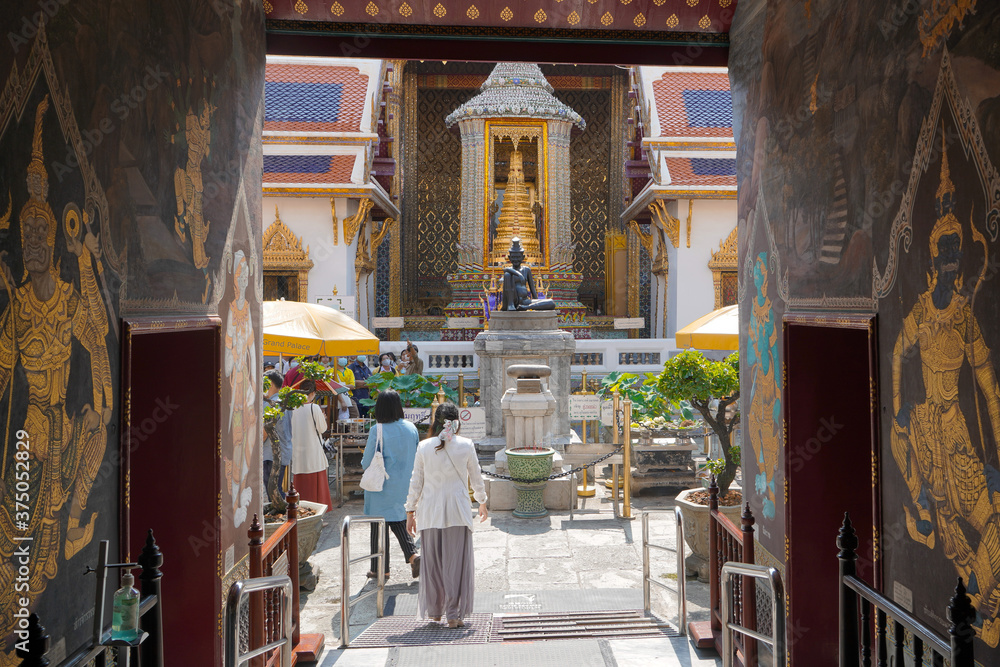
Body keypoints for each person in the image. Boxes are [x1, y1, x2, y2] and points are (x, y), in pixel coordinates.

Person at [405, 402, 488, 627]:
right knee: (456, 564)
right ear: (457, 422)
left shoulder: (424, 446)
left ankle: (434, 611)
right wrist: (482, 501)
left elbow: (416, 481)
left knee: (432, 564)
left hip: (430, 511)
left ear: (436, 421)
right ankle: (453, 614)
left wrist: (410, 510)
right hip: (458, 510)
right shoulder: (466, 444)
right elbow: (476, 476)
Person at [361, 390, 420, 580]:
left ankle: (380, 568)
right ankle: (413, 555)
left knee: (378, 525)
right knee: (398, 520)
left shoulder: (376, 430)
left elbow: (366, 462)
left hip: (381, 486)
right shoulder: (411, 428)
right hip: (405, 484)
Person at [290, 379, 332, 511]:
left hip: (298, 451)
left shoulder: (292, 408)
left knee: (301, 487)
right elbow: (322, 428)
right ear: (313, 393)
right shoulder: (314, 408)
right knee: (316, 490)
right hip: (313, 452)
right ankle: (317, 515)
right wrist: (324, 418)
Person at [263, 370, 292, 501]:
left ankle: (285, 516)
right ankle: (285, 514)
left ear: (269, 383)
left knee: (273, 491)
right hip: (283, 450)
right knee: (275, 489)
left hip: (270, 453)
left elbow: (265, 431)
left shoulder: (270, 405)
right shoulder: (285, 401)